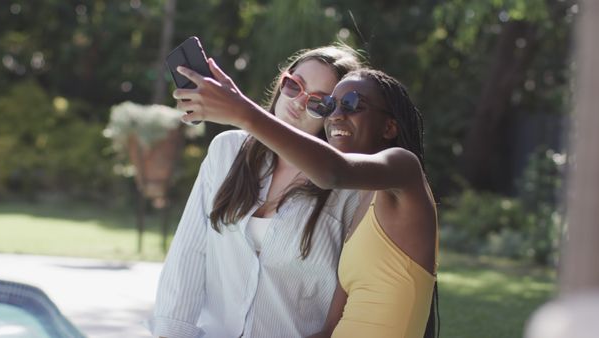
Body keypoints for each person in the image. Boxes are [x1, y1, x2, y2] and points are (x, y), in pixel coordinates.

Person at [174, 64, 439, 338]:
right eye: (330, 106)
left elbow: (334, 172)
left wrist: (243, 113)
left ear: (389, 126)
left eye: (351, 104)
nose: (336, 115)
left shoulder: (405, 170)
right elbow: (328, 332)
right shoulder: (360, 207)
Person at [149, 45, 364, 338]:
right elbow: (189, 253)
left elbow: (351, 299)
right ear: (281, 82)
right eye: (294, 85)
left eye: (318, 102)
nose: (299, 102)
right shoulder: (227, 150)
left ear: (333, 115)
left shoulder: (348, 188)